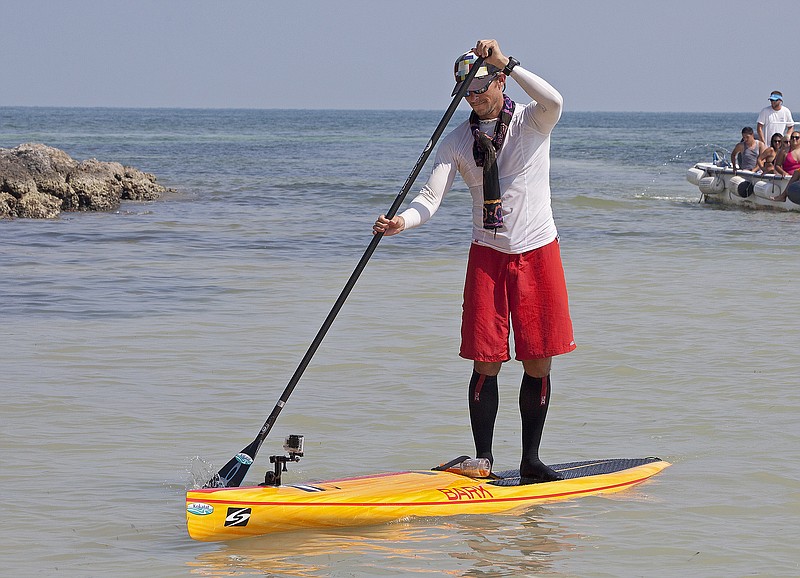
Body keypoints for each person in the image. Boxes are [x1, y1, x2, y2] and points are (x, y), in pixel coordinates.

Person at [373, 39, 575, 484]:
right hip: (488, 254)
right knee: (486, 359)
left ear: (500, 81)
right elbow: (429, 199)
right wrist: (400, 223)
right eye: (467, 91)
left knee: (538, 360)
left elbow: (555, 99)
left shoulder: (531, 122)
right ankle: (483, 458)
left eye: (482, 87)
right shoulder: (458, 142)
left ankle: (531, 460)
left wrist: (508, 61)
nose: (475, 96)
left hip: (538, 249)